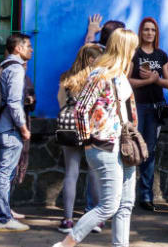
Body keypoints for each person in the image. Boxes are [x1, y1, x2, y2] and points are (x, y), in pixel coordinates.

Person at [52, 28, 139, 247]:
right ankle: (66, 243)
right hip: (103, 146)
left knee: (126, 203)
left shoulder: (120, 75)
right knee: (109, 205)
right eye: (133, 47)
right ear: (125, 48)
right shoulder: (99, 74)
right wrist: (87, 141)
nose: (135, 52)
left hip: (124, 144)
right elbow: (81, 110)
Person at [0, 33, 33, 232]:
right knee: (4, 175)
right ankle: (4, 218)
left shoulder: (2, 66)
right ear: (18, 48)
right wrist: (23, 128)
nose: (31, 49)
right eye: (28, 46)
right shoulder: (15, 69)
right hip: (9, 129)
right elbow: (14, 103)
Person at [56, 43, 103, 233]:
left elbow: (60, 102)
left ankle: (67, 220)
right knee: (94, 173)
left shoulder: (66, 77)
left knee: (71, 173)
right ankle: (95, 221)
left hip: (69, 128)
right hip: (91, 127)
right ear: (92, 60)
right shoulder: (98, 78)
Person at [129, 17, 168, 211]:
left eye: (153, 30)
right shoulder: (134, 54)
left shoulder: (161, 55)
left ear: (156, 33)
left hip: (155, 108)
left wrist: (155, 79)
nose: (149, 33)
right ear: (140, 32)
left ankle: (146, 196)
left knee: (150, 151)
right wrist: (147, 81)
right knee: (131, 150)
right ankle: (126, 195)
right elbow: (127, 81)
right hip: (137, 107)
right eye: (146, 29)